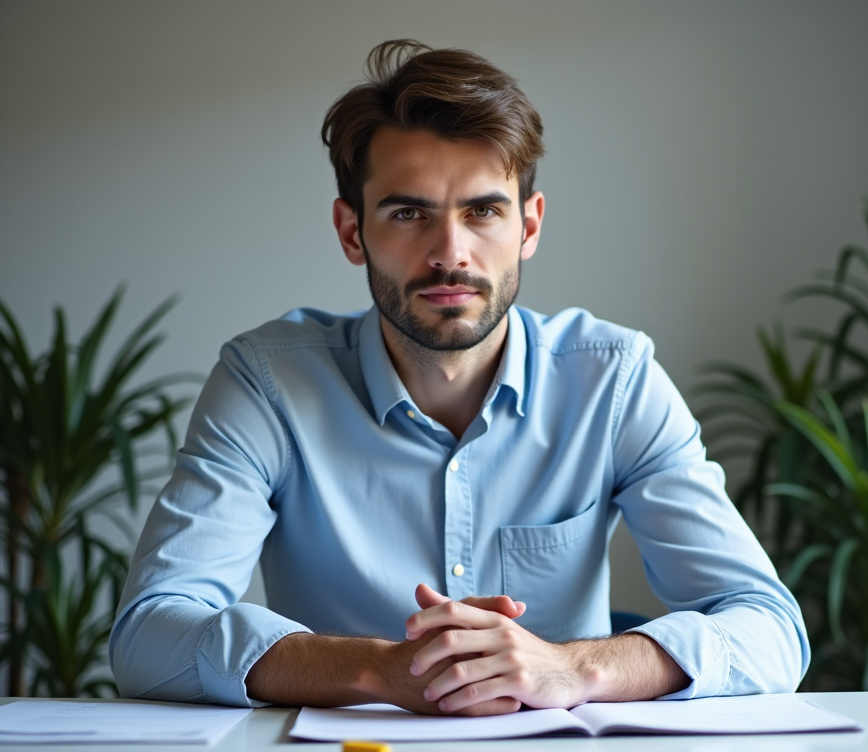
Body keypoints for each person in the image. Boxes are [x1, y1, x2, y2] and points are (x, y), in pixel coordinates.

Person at [109, 40, 808, 716]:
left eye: (483, 211)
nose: (451, 253)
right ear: (353, 233)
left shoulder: (613, 379)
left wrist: (572, 668)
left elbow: (771, 631)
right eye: (409, 213)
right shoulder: (266, 383)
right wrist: (380, 670)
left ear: (529, 226)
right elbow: (150, 635)